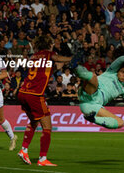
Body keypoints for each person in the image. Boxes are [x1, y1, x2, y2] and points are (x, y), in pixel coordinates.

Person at [17, 35, 72, 166]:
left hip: (23, 92)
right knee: (47, 127)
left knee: (34, 121)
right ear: (48, 44)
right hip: (35, 94)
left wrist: (60, 64)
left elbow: (49, 69)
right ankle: (42, 159)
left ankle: (24, 150)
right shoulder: (48, 54)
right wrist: (71, 58)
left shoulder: (34, 56)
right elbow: (58, 58)